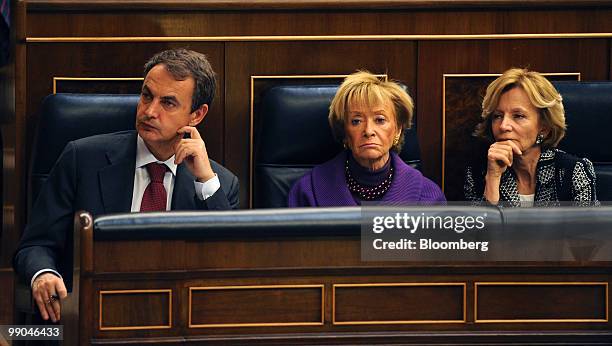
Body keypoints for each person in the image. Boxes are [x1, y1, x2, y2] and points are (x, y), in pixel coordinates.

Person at [13, 48, 239, 322]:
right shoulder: (81, 158)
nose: (150, 111)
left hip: (173, 322)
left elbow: (227, 270)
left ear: (197, 115)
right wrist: (44, 274)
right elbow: (35, 246)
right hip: (87, 317)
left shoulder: (219, 184)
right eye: (146, 96)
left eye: (168, 103)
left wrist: (205, 181)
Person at [288, 71, 445, 206]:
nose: (369, 131)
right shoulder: (307, 192)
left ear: (397, 130)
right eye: (356, 121)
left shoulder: (428, 197)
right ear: (345, 133)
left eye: (380, 120)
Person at [464, 68, 598, 207]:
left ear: (544, 128)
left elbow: (589, 228)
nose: (503, 126)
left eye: (518, 116)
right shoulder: (477, 173)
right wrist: (493, 179)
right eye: (497, 116)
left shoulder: (573, 171)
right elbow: (480, 227)